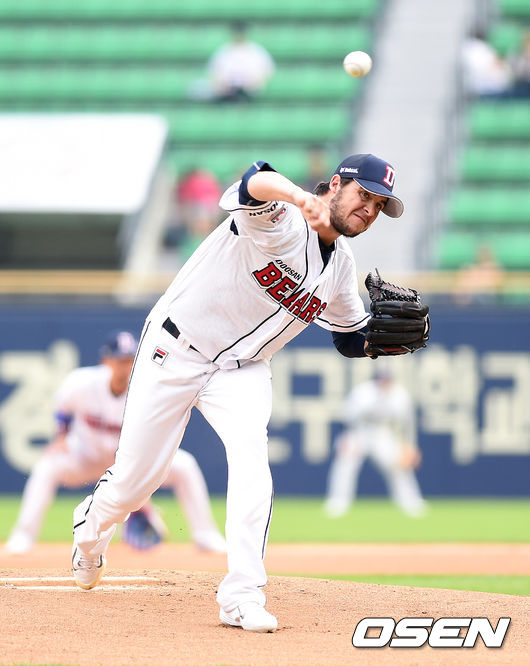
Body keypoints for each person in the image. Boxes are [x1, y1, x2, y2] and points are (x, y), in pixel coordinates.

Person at [71, 153, 422, 633]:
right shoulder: (284, 219)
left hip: (242, 370)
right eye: (365, 195)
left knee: (252, 461)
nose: (370, 209)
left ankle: (241, 596)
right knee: (136, 482)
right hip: (176, 347)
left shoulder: (342, 265)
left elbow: (348, 336)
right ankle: (89, 530)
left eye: (380, 205)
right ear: (336, 184)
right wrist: (298, 196)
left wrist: (380, 344)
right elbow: (254, 180)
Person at [5, 331, 225, 555]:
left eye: (130, 360)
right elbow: (63, 410)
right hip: (86, 459)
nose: (125, 366)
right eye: (119, 360)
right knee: (47, 467)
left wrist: (140, 500)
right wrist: (61, 438)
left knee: (185, 465)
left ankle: (206, 535)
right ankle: (23, 536)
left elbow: (150, 443)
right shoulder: (81, 383)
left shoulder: (148, 392)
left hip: (127, 464)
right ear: (106, 361)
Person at [324, 366, 427, 519]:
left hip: (382, 433)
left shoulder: (400, 395)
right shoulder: (363, 392)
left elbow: (408, 425)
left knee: (398, 465)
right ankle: (338, 503)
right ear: (376, 380)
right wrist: (346, 439)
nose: (384, 383)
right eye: (382, 380)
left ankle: (411, 503)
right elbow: (346, 416)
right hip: (359, 432)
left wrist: (409, 446)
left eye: (387, 380)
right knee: (345, 464)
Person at [194, 21, 275, 102]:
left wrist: (253, 85)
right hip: (227, 91)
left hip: (250, 91)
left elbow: (267, 73)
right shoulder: (224, 51)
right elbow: (213, 73)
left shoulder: (256, 51)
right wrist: (223, 85)